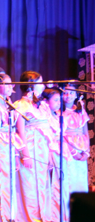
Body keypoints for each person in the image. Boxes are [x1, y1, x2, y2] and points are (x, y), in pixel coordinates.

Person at [14, 70, 53, 222]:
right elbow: (20, 131)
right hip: (30, 147)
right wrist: (25, 154)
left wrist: (49, 152)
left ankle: (43, 215)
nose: (42, 86)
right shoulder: (21, 105)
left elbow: (47, 130)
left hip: (42, 148)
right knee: (29, 184)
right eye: (39, 83)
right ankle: (30, 218)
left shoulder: (42, 105)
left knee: (42, 184)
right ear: (30, 86)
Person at [0, 73, 22, 222]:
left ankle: (10, 216)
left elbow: (13, 133)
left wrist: (16, 156)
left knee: (10, 184)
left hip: (9, 149)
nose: (10, 87)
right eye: (6, 84)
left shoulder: (11, 108)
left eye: (11, 84)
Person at [41, 88, 71, 222]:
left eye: (60, 100)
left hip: (61, 150)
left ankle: (62, 215)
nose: (59, 103)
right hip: (52, 151)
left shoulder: (56, 115)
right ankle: (52, 216)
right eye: (56, 100)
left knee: (63, 185)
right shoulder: (45, 117)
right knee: (52, 185)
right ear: (46, 102)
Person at [62, 83, 90, 195]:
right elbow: (59, 135)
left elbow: (85, 132)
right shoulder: (59, 112)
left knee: (80, 178)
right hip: (67, 149)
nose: (68, 95)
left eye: (71, 93)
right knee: (70, 178)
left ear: (76, 95)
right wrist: (73, 152)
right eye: (65, 93)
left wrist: (86, 152)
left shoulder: (80, 111)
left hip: (81, 149)